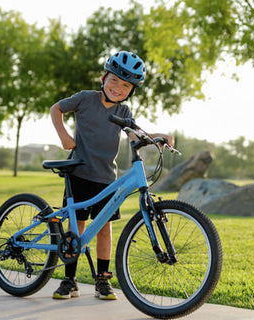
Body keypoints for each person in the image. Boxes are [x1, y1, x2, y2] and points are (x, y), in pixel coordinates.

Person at [50, 51, 174, 300]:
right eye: (114, 80)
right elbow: (56, 109)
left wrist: (156, 136)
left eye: (126, 84)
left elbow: (134, 135)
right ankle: (69, 280)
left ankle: (102, 281)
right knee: (78, 227)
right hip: (78, 173)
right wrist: (64, 136)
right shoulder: (85, 99)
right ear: (103, 77)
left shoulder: (124, 111)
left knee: (104, 229)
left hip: (106, 179)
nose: (118, 87)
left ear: (131, 90)